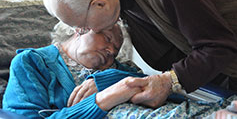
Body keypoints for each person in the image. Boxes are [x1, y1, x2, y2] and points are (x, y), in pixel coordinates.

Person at [43, 0, 237, 107]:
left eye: (84, 26)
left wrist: (169, 81)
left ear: (100, 4)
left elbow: (219, 46)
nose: (88, 32)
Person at [2, 22, 145, 118]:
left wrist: (109, 80)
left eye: (116, 50)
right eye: (107, 39)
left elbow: (158, 87)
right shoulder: (31, 62)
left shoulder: (125, 69)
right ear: (81, 27)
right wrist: (101, 101)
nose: (111, 51)